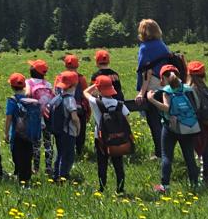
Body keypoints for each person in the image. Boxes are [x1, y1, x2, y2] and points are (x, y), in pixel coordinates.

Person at [146, 65, 200, 193]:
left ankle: (165, 186)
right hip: (188, 126)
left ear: (164, 78)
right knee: (189, 157)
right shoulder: (188, 89)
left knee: (166, 157)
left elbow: (166, 108)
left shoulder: (167, 90)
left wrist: (151, 99)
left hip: (171, 127)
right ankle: (195, 184)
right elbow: (197, 105)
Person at [84, 75, 129, 194]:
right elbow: (126, 119)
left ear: (99, 89)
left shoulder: (95, 102)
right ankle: (120, 188)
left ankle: (102, 188)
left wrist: (95, 85)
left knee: (102, 164)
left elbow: (85, 92)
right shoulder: (119, 104)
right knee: (118, 164)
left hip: (100, 138)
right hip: (117, 138)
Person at [135, 19, 172, 159]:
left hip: (151, 87)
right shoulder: (162, 45)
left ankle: (160, 152)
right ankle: (167, 150)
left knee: (154, 122)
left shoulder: (145, 48)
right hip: (165, 84)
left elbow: (146, 73)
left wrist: (141, 92)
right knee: (165, 119)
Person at [4, 73, 40, 185]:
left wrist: (6, 133)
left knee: (17, 155)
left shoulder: (12, 100)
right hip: (29, 134)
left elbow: (9, 118)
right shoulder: (30, 101)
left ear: (11, 86)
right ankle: (27, 177)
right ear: (24, 86)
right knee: (28, 155)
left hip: (17, 134)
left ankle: (20, 177)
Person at [25, 60, 55, 176]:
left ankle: (36, 169)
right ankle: (48, 168)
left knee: (36, 144)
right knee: (48, 143)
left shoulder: (29, 82)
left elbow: (27, 94)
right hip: (47, 116)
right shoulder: (47, 84)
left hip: (35, 117)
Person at [51, 72, 81, 181]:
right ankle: (63, 175)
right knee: (68, 155)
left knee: (59, 153)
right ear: (74, 86)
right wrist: (78, 128)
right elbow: (74, 117)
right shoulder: (70, 99)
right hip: (68, 131)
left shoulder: (58, 97)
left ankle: (56, 174)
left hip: (58, 130)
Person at [64, 55, 90, 156]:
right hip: (79, 110)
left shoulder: (60, 77)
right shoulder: (82, 78)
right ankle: (79, 151)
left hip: (65, 109)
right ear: (77, 65)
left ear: (65, 65)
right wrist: (88, 112)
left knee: (66, 131)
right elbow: (85, 96)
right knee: (81, 132)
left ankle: (67, 152)